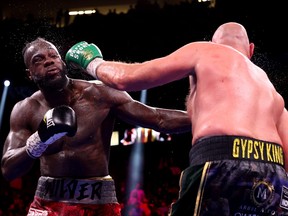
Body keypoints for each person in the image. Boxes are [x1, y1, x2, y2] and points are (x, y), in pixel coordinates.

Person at [65, 22, 288, 215]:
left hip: (221, 163)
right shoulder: (273, 93)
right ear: (251, 50)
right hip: (274, 177)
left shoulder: (207, 51)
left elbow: (126, 79)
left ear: (213, 42)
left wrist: (91, 62)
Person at [1, 37, 192, 216]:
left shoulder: (100, 94)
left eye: (53, 56)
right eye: (38, 60)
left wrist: (206, 117)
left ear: (63, 62)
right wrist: (38, 140)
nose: (49, 61)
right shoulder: (25, 109)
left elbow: (158, 118)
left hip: (98, 202)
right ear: (30, 74)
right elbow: (8, 169)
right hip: (47, 201)